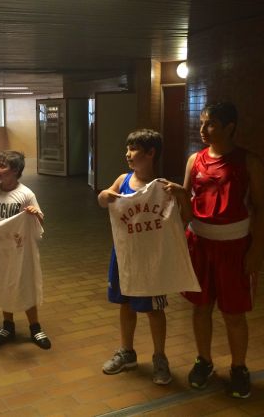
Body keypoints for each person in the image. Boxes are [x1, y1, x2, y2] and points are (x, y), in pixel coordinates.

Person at [182, 102, 264, 398]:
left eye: (211, 124)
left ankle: (239, 367)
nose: (203, 129)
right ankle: (203, 361)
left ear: (230, 127)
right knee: (200, 307)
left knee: (234, 313)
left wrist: (256, 251)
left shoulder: (249, 162)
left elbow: (261, 208)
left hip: (234, 247)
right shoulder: (195, 160)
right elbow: (185, 202)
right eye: (202, 122)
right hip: (199, 244)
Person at [97, 129, 192, 385]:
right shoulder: (123, 180)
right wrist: (105, 195)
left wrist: (182, 195)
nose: (127, 154)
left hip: (152, 260)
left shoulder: (163, 187)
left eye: (133, 149)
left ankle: (160, 357)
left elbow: (186, 218)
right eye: (127, 148)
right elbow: (103, 199)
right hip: (125, 256)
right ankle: (127, 352)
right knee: (125, 304)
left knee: (154, 310)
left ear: (150, 153)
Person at [0, 150, 51, 349]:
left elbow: (40, 221)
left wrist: (35, 214)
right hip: (0, 248)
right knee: (4, 283)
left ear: (15, 170)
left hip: (21, 249)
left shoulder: (26, 194)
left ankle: (35, 327)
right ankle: (8, 325)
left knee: (25, 284)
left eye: (2, 166)